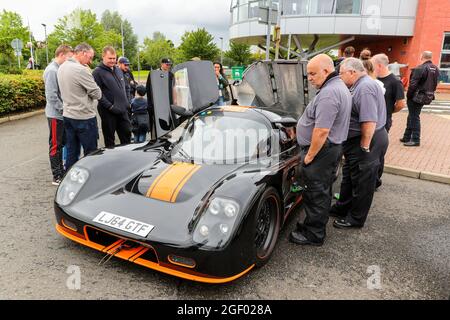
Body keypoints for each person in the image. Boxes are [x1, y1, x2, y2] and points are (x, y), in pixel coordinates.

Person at [289, 54, 352, 246]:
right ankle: (311, 225)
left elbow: (322, 130)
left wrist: (309, 156)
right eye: (308, 74)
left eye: (313, 74)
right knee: (321, 190)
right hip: (329, 150)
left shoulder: (329, 93)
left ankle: (314, 234)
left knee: (315, 192)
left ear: (326, 70)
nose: (309, 78)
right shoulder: (337, 87)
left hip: (321, 151)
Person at [330, 58, 389, 229]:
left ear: (352, 72)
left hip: (368, 140)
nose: (339, 77)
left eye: (341, 73)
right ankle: (342, 208)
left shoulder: (364, 88)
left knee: (363, 182)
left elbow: (369, 121)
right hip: (359, 140)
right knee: (349, 176)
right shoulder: (359, 85)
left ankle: (355, 219)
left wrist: (364, 147)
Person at [57, 43, 102, 170]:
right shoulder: (81, 70)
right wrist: (88, 71)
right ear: (83, 53)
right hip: (84, 117)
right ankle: (90, 181)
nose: (90, 61)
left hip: (68, 115)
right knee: (91, 153)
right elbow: (97, 93)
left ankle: (69, 177)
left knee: (72, 151)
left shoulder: (62, 67)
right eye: (90, 57)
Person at [371, 53, 406, 189]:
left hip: (384, 122)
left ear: (379, 65)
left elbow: (401, 104)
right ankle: (370, 178)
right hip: (372, 121)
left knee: (378, 152)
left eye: (373, 66)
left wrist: (388, 112)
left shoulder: (394, 81)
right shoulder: (374, 79)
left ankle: (376, 181)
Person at [43, 44, 74, 185]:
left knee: (62, 143)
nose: (69, 61)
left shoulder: (58, 69)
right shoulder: (51, 70)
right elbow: (51, 96)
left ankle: (62, 172)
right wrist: (63, 110)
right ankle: (56, 176)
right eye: (68, 58)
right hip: (56, 115)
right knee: (55, 145)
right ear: (61, 55)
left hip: (61, 114)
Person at [93, 46, 132, 148]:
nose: (112, 61)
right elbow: (98, 93)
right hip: (108, 111)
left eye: (114, 58)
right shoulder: (97, 72)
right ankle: (111, 161)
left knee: (127, 135)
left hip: (122, 109)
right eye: (110, 58)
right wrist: (110, 106)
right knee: (110, 139)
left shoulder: (118, 70)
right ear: (103, 57)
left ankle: (126, 159)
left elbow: (126, 87)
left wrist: (127, 101)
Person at [400, 51, 440, 147]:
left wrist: (409, 96)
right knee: (412, 115)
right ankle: (406, 136)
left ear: (422, 57)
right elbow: (436, 83)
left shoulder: (420, 68)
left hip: (416, 96)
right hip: (427, 96)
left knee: (414, 117)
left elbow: (413, 85)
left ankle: (415, 139)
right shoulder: (436, 68)